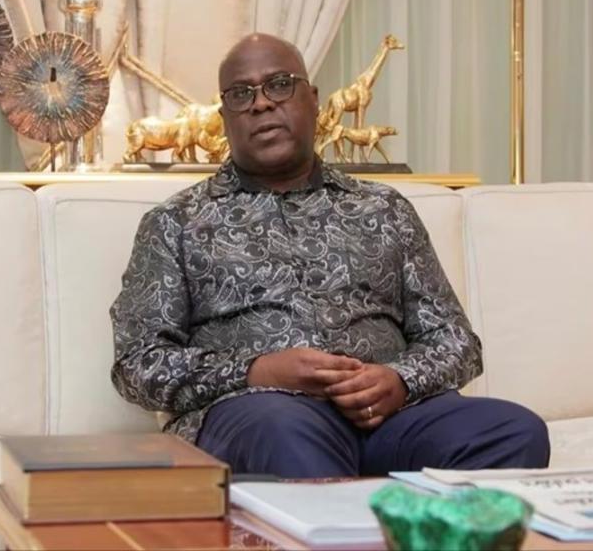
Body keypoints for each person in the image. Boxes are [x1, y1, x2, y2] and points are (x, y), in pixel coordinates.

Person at [110, 33, 549, 477]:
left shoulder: (384, 209)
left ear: (314, 100)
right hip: (260, 413)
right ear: (224, 118)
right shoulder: (176, 223)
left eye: (279, 84)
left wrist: (399, 380)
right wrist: (258, 372)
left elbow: (456, 341)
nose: (261, 104)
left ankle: (368, 505)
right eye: (241, 94)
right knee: (283, 432)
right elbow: (137, 364)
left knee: (515, 432)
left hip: (390, 419)